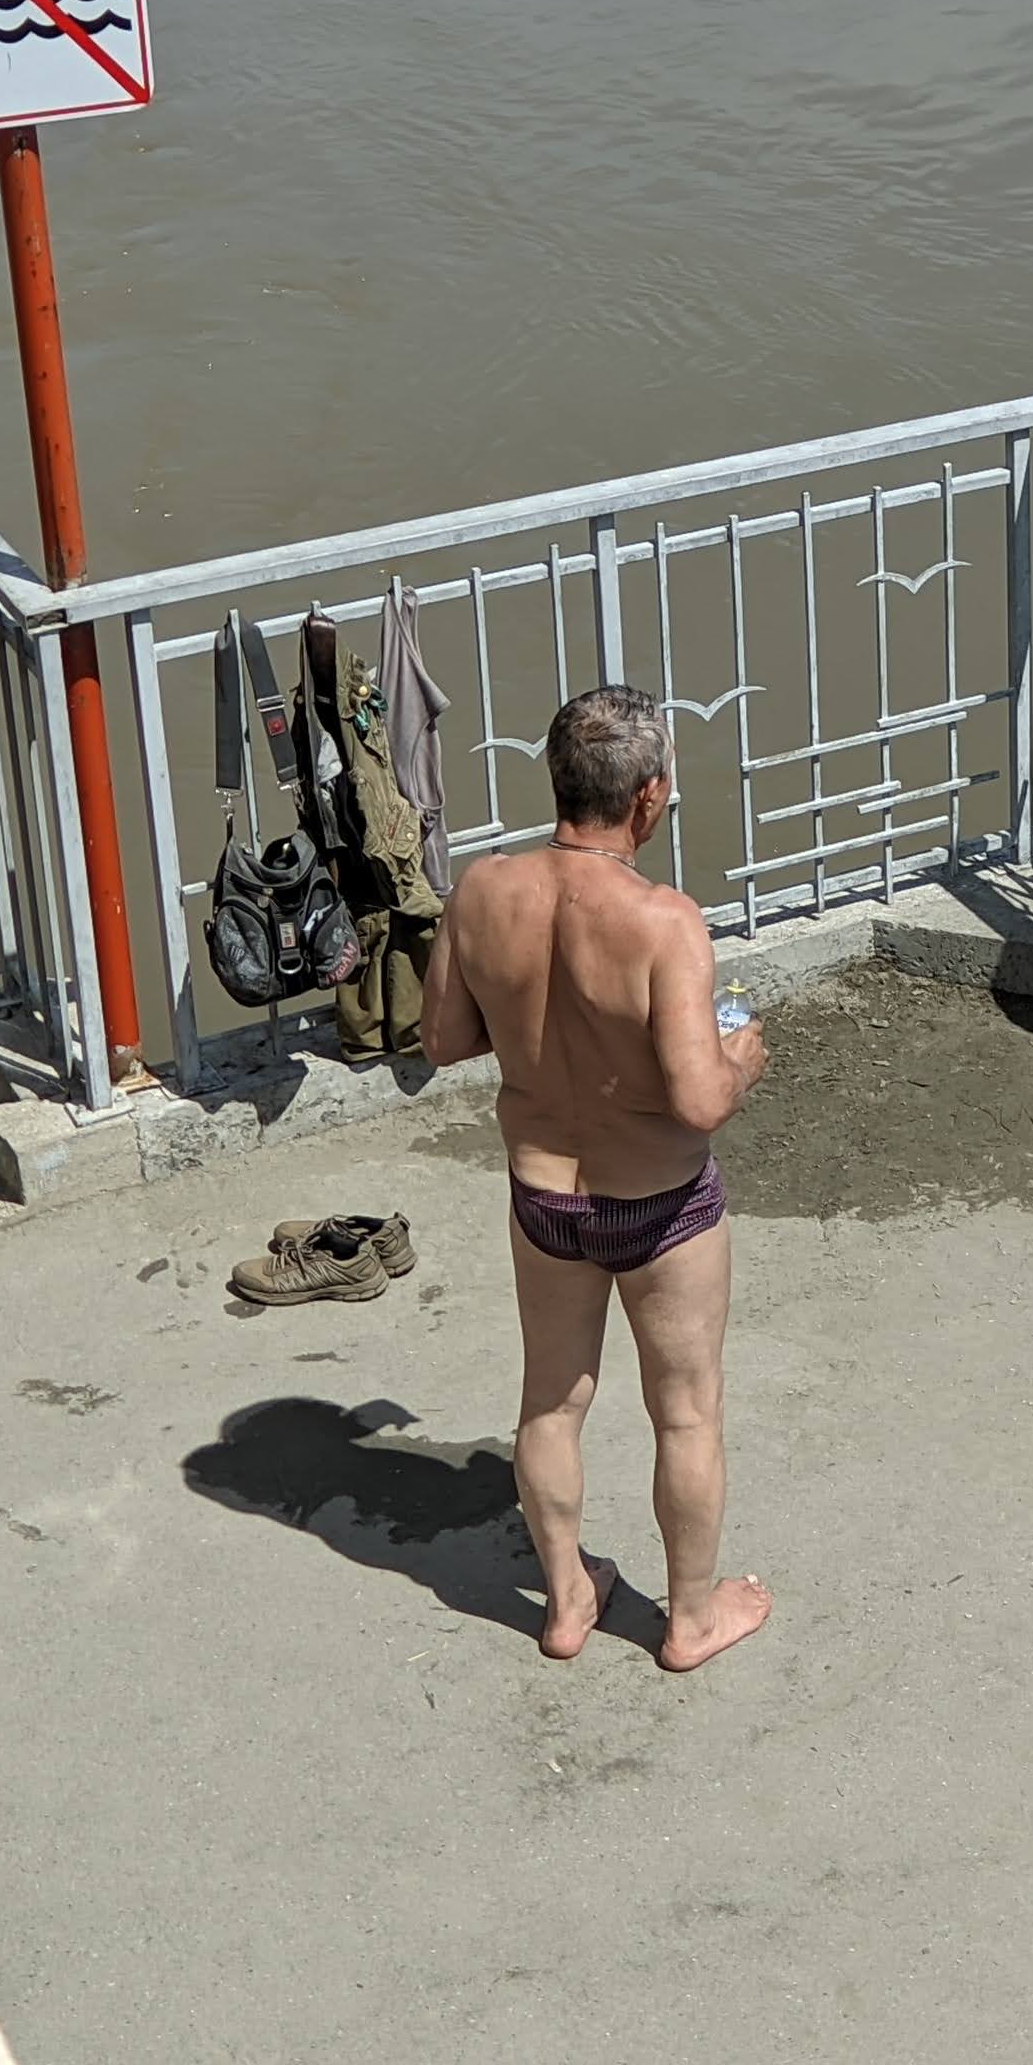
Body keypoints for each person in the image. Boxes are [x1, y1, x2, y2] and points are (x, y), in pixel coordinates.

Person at [421, 685, 775, 1671]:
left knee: (550, 1403)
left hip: (544, 1197)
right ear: (649, 795)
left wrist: (540, 1029)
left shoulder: (481, 891)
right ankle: (691, 1620)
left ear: (558, 779)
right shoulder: (664, 921)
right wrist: (742, 1061)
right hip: (661, 1207)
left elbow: (442, 1039)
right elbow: (698, 1099)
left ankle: (568, 1601)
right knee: (686, 1412)